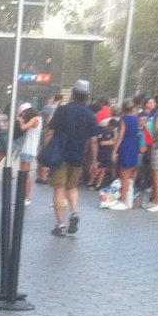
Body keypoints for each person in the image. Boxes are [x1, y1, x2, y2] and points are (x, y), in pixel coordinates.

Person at [39, 79, 98, 235]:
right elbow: (93, 140)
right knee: (72, 187)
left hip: (60, 155)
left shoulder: (62, 110)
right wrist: (94, 161)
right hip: (78, 156)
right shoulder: (90, 115)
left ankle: (60, 226)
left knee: (59, 188)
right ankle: (74, 212)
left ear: (72, 93)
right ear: (86, 96)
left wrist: (46, 149)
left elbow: (50, 131)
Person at [109, 99, 140, 210]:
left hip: (125, 145)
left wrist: (114, 151)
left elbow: (121, 135)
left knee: (123, 175)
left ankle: (123, 201)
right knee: (129, 174)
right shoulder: (136, 118)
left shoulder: (124, 119)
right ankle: (127, 199)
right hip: (134, 145)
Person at [15, 103, 41, 205]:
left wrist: (20, 120)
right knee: (25, 174)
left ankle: (26, 197)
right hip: (29, 149)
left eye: (23, 113)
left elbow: (23, 127)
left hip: (28, 149)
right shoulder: (37, 118)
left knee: (25, 174)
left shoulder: (35, 119)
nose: (23, 115)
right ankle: (25, 196)